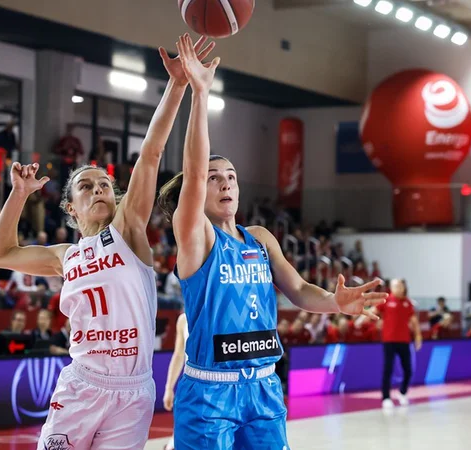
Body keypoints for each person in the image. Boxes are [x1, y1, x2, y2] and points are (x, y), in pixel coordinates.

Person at [0, 34, 217, 450]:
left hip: (133, 389)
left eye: (105, 185)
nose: (98, 190)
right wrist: (18, 195)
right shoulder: (65, 256)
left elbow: (151, 153)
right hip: (83, 383)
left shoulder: (128, 229)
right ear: (71, 209)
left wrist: (177, 85)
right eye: (86, 187)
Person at [156, 35, 387, 450]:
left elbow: (298, 290)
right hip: (210, 392)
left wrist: (336, 303)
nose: (226, 182)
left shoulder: (259, 238)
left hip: (263, 386)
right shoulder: (195, 236)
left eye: (231, 176)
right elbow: (192, 171)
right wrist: (200, 94)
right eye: (215, 177)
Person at [370, 278, 422, 409]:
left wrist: (418, 336)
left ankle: (403, 392)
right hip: (389, 341)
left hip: (404, 341)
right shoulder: (386, 301)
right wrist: (362, 319)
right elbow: (373, 311)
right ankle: (386, 397)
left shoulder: (407, 303)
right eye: (396, 286)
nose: (399, 288)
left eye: (400, 286)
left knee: (408, 370)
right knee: (388, 369)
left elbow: (414, 321)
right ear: (391, 288)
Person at [162, 312, 188, 450]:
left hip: (219, 388)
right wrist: (168, 388)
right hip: (190, 390)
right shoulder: (183, 319)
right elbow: (178, 355)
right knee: (180, 434)